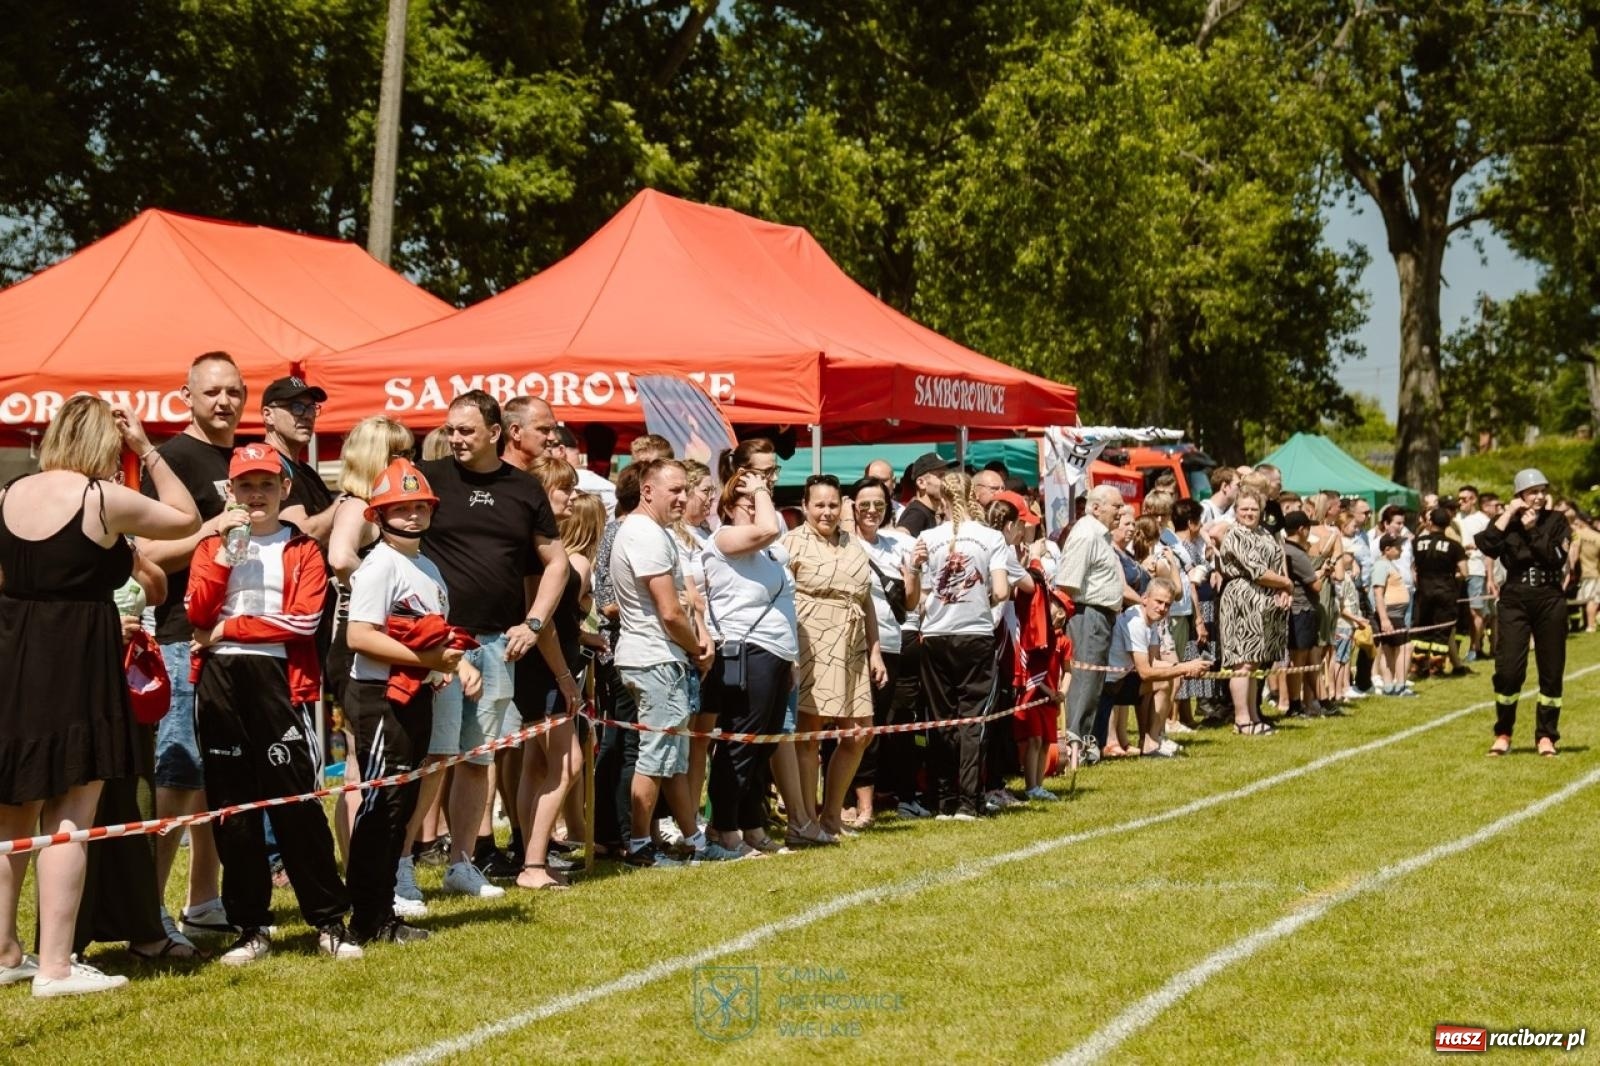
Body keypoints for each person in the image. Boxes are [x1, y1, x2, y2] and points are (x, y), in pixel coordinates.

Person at [0, 397, 199, 996]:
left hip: (14, 660)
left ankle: (7, 954)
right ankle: (56, 966)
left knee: (10, 817)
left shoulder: (10, 493)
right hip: (78, 661)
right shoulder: (100, 497)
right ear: (101, 446)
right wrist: (147, 449)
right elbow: (186, 517)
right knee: (70, 818)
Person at [186, 443, 359, 963]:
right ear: (230, 492)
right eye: (245, 485)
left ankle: (328, 921)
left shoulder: (302, 547)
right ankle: (251, 927)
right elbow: (196, 611)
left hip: (282, 678)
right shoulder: (211, 546)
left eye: (266, 485)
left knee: (295, 803)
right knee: (232, 807)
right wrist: (221, 555)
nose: (255, 495)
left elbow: (302, 622)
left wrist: (228, 627)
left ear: (285, 490)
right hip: (218, 678)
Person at [417, 391, 571, 898]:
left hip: (497, 645)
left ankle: (462, 864)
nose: (456, 439)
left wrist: (533, 621)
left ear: (494, 433)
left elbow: (556, 562)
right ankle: (401, 867)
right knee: (435, 758)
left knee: (479, 759)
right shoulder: (429, 477)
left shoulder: (525, 489)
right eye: (451, 430)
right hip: (440, 643)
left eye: (466, 431)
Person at [133, 351, 245, 943]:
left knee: (215, 778)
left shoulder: (250, 459)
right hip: (183, 637)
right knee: (176, 776)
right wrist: (208, 531)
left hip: (240, 642)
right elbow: (144, 556)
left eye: (234, 391)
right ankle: (146, 911)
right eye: (212, 392)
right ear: (187, 397)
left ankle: (204, 901)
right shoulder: (173, 459)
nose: (224, 402)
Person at [343, 458, 464, 945]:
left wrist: (446, 660)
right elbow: (358, 635)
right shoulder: (378, 565)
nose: (413, 515)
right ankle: (366, 918)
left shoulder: (426, 565)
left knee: (402, 806)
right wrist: (429, 658)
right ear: (377, 514)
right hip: (380, 698)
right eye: (401, 507)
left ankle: (383, 910)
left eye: (420, 506)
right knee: (382, 806)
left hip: (414, 695)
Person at [611, 459, 713, 867]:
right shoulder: (645, 534)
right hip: (654, 657)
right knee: (654, 756)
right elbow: (670, 611)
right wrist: (696, 648)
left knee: (671, 757)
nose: (683, 498)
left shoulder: (651, 532)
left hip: (656, 657)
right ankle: (640, 846)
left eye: (685, 491)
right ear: (647, 491)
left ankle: (693, 839)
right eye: (675, 491)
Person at [700, 470, 798, 857]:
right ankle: (724, 827)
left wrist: (790, 661)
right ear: (728, 508)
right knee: (741, 742)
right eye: (750, 504)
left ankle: (751, 823)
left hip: (776, 652)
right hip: (747, 649)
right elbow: (768, 529)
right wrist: (759, 490)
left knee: (765, 744)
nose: (759, 508)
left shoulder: (770, 551)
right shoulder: (723, 539)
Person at [785, 475, 887, 836]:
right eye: (819, 505)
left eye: (832, 505)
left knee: (860, 732)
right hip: (810, 637)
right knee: (809, 734)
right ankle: (807, 818)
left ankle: (832, 814)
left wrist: (875, 651)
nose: (826, 512)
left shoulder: (853, 544)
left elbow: (868, 601)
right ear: (805, 507)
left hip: (853, 643)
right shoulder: (791, 543)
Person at [905, 472, 1007, 820]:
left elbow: (915, 595)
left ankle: (944, 799)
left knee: (942, 719)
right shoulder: (991, 537)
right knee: (972, 720)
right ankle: (968, 799)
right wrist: (983, 597)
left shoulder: (927, 537)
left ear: (943, 501)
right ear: (972, 497)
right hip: (974, 633)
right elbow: (1004, 590)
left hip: (935, 635)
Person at [513, 455, 588, 890]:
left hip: (551, 665)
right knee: (566, 764)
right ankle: (534, 865)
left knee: (537, 764)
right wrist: (563, 676)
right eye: (566, 488)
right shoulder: (536, 551)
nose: (573, 496)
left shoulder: (546, 542)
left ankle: (531, 856)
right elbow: (538, 623)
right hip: (544, 669)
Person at [1478, 468, 1571, 757]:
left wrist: (1533, 530)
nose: (1539, 497)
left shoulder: (1557, 521)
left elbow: (1556, 559)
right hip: (1515, 598)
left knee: (1551, 670)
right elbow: (1487, 545)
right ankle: (1503, 732)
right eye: (1533, 492)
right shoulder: (1505, 523)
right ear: (1519, 495)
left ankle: (1546, 736)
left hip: (1549, 598)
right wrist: (1508, 516)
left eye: (1543, 491)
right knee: (1507, 671)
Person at [846, 478, 912, 827]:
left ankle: (866, 805)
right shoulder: (844, 544)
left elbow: (912, 602)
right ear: (852, 506)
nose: (872, 510)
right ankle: (844, 802)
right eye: (864, 503)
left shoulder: (897, 544)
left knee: (873, 726)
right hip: (851, 644)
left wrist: (912, 572)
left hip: (890, 642)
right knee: (848, 723)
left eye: (879, 504)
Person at [1056, 485, 1133, 766]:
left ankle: (1082, 742)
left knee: (1093, 683)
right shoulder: (1086, 534)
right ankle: (1073, 745)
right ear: (1096, 507)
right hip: (1086, 615)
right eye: (1117, 506)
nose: (1122, 511)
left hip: (1100, 617)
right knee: (1084, 682)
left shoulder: (1098, 535)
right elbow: (1066, 581)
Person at [1103, 580, 1209, 757]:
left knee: (1165, 681)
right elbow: (1145, 672)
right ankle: (1151, 743)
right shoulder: (1136, 621)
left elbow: (1153, 661)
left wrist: (1185, 667)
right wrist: (1184, 668)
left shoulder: (1150, 622)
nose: (1162, 608)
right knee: (1162, 681)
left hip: (1121, 681)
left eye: (1167, 605)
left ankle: (1152, 741)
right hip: (1108, 687)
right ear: (1144, 599)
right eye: (1158, 602)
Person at [1218, 489, 1290, 735]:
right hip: (1242, 599)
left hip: (1265, 600)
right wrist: (1286, 584)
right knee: (1243, 662)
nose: (1249, 513)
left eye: (1253, 509)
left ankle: (1253, 715)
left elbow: (1278, 563)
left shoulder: (1263, 533)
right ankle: (1241, 719)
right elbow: (1257, 570)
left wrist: (1282, 589)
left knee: (1255, 661)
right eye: (1244, 509)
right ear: (1236, 511)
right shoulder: (1235, 534)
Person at [261, 376, 336, 545]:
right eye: (296, 407)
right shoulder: (267, 465)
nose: (307, 416)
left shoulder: (306, 471)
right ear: (268, 415)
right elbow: (303, 534)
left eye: (311, 408)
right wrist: (346, 501)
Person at [1281, 512, 1329, 718]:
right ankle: (1294, 704)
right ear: (1302, 529)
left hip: (1298, 609)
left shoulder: (1285, 549)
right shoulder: (1297, 554)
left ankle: (1311, 702)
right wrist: (1322, 573)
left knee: (1302, 659)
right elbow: (1316, 586)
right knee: (1298, 660)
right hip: (1301, 609)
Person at [1412, 507, 1468, 678]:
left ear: (1430, 522)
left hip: (1424, 591)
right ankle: (1436, 668)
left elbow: (1412, 568)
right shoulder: (1455, 546)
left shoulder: (1416, 543)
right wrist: (1451, 576)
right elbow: (1464, 572)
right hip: (1446, 591)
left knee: (1422, 630)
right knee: (1442, 632)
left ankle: (1419, 667)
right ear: (1448, 523)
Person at [1371, 534, 1415, 696]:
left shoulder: (1389, 564)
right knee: (1406, 648)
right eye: (1398, 547)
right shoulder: (1381, 566)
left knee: (1388, 650)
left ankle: (1389, 686)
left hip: (1394, 614)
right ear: (1387, 549)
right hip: (1391, 615)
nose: (1401, 549)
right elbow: (1378, 593)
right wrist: (1384, 619)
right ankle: (1400, 685)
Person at [895, 453, 952, 538]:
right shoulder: (917, 512)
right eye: (941, 476)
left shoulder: (926, 511)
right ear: (921, 483)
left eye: (946, 476)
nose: (947, 481)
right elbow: (900, 535)